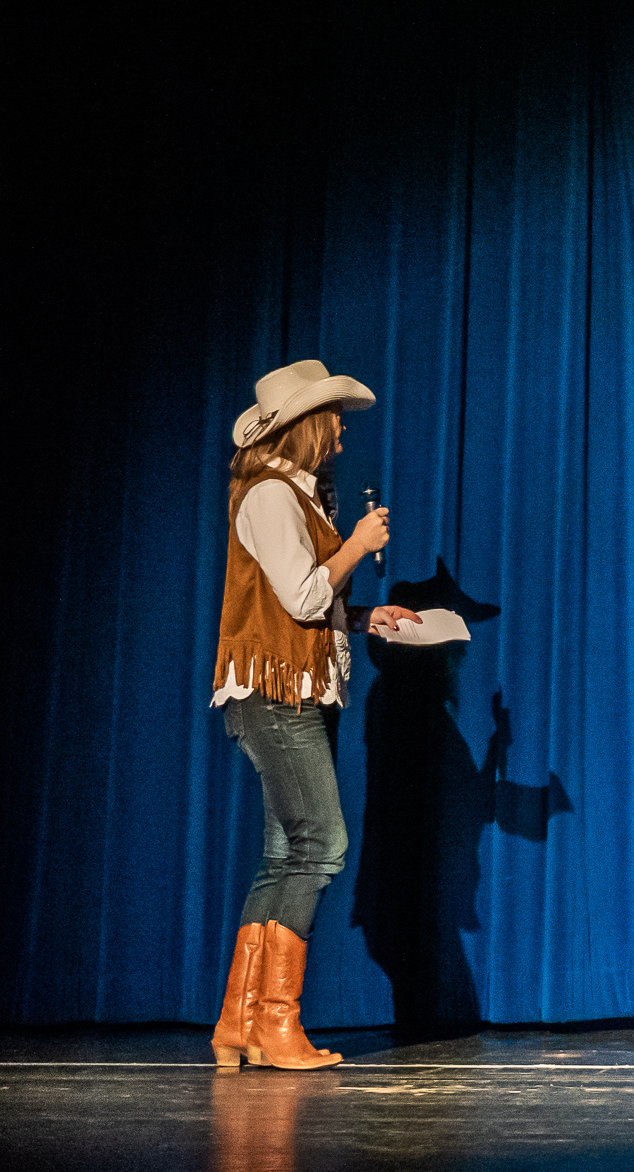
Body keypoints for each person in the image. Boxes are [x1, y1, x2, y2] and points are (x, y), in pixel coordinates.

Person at [208, 360, 418, 1069]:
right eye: (333, 420)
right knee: (323, 845)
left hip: (297, 689)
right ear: (304, 425)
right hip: (276, 695)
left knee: (285, 857)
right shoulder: (270, 495)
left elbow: (308, 602)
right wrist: (357, 545)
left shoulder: (298, 495)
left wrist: (363, 616)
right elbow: (300, 598)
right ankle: (274, 1023)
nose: (340, 434)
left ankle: (239, 1024)